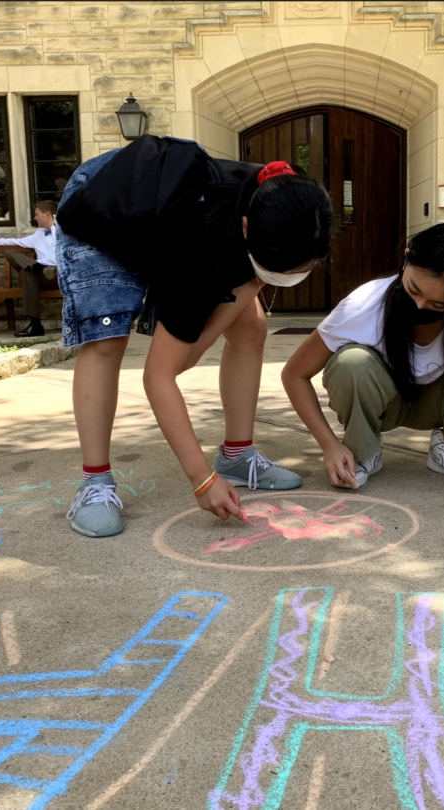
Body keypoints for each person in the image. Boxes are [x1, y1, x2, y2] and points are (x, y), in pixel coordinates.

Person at [54, 136, 332, 537]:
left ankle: (237, 457)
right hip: (104, 205)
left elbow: (248, 280)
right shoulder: (201, 249)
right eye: (278, 267)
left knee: (251, 326)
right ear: (246, 229)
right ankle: (95, 483)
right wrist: (201, 479)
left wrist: (207, 327)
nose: (289, 277)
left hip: (173, 211)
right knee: (107, 336)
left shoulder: (297, 206)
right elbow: (161, 376)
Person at [282, 223, 444, 488]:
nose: (419, 305)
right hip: (386, 404)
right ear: (406, 257)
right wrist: (329, 445)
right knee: (351, 362)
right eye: (414, 289)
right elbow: (295, 374)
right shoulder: (362, 306)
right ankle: (362, 452)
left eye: (439, 304)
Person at [0, 200, 59, 337]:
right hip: (43, 276)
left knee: (27, 271)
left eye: (37, 214)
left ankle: (35, 325)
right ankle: (38, 268)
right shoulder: (38, 235)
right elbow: (13, 241)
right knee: (12, 255)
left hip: (61, 275)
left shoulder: (65, 230)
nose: (35, 218)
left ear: (47, 214)